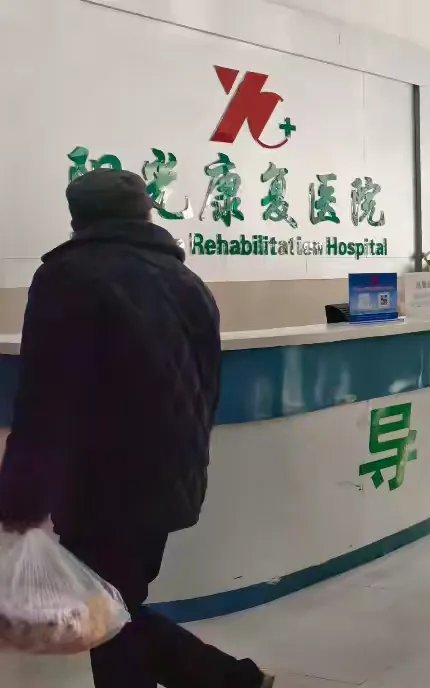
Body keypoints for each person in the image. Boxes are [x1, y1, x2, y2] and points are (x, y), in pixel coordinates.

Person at [0, 169, 273, 685]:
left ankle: (231, 680)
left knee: (108, 615)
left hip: (101, 485)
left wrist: (20, 499)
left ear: (77, 219)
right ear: (146, 212)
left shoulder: (68, 278)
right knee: (115, 608)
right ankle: (232, 680)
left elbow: (46, 400)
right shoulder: (187, 282)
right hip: (172, 478)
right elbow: (206, 387)